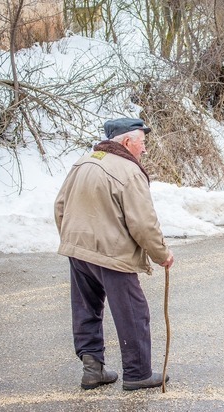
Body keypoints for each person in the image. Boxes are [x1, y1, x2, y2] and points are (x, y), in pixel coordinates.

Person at [54, 118, 174, 391]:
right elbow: (143, 223)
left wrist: (72, 239)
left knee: (86, 310)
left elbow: (60, 205)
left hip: (78, 250)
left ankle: (92, 370)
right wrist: (161, 254)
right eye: (142, 143)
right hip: (111, 253)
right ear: (127, 141)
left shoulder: (83, 162)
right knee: (133, 312)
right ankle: (138, 373)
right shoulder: (129, 171)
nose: (144, 150)